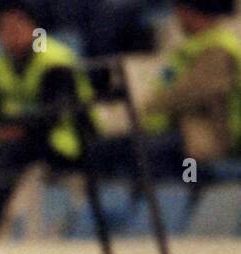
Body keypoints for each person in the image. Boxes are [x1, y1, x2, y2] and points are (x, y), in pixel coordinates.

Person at [0, 1, 98, 235]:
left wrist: (0, 132)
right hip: (17, 137)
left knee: (12, 151)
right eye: (4, 28)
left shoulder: (55, 61)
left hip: (66, 142)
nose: (11, 33)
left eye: (17, 26)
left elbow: (53, 116)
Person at [97, 0, 241, 176]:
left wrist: (151, 106)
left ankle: (188, 191)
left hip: (208, 137)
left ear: (192, 13)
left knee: (144, 152)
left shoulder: (218, 48)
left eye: (180, 11)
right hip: (180, 129)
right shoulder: (196, 44)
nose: (177, 17)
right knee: (115, 146)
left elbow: (191, 93)